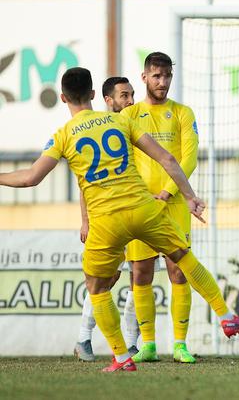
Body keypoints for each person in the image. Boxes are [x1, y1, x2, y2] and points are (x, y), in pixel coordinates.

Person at [0, 67, 239, 372]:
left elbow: (30, 178)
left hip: (106, 222)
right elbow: (168, 159)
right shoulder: (121, 119)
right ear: (94, 95)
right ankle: (225, 316)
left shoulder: (63, 136)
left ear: (64, 97)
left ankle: (121, 356)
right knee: (183, 257)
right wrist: (189, 196)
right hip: (144, 209)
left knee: (97, 287)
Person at [119, 52, 200, 364]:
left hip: (174, 203)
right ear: (144, 78)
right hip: (141, 205)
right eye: (156, 76)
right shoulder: (128, 116)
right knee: (140, 273)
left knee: (178, 271)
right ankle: (149, 345)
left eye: (167, 76)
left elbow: (189, 157)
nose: (162, 82)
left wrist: (167, 191)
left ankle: (180, 344)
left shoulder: (182, 113)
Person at [74, 77, 138, 362]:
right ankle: (84, 338)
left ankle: (133, 343)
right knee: (106, 278)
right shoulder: (98, 130)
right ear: (108, 100)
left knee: (141, 274)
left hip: (139, 212)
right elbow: (85, 182)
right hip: (107, 217)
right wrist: (85, 220)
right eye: (124, 96)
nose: (130, 101)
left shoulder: (136, 124)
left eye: (132, 95)